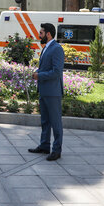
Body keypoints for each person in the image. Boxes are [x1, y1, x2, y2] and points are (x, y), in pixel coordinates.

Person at [29, 22, 64, 161]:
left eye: (41, 33)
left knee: (55, 123)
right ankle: (44, 145)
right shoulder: (46, 48)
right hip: (44, 91)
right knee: (45, 121)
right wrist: (37, 72)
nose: (39, 35)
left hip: (53, 92)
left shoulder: (56, 49)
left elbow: (56, 72)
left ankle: (56, 151)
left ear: (48, 34)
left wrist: (40, 76)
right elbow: (45, 68)